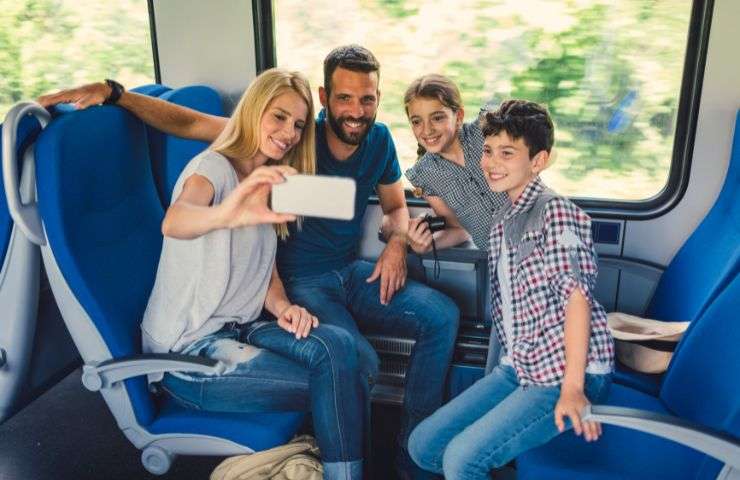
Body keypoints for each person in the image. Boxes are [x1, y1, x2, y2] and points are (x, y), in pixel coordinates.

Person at [38, 45, 460, 479]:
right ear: (323, 97)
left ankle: (410, 458)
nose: (289, 132)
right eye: (279, 118)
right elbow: (178, 213)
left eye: (366, 98)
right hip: (199, 343)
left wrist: (388, 248)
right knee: (347, 373)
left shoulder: (277, 174)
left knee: (392, 337)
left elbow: (269, 264)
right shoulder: (221, 169)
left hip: (257, 316)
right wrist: (115, 93)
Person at [139, 68, 365, 480]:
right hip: (188, 354)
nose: (290, 132)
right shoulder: (211, 168)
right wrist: (228, 213)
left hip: (243, 328)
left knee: (342, 348)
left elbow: (267, 274)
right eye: (278, 117)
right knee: (342, 381)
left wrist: (284, 309)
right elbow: (176, 221)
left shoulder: (269, 182)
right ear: (254, 111)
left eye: (298, 124)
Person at [407, 100, 614, 479]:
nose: (492, 162)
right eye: (487, 151)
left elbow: (577, 298)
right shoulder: (503, 219)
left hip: (567, 372)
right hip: (522, 365)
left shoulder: (555, 212)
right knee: (424, 446)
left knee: (461, 462)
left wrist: (572, 388)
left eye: (507, 153)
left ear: (538, 161)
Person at [403, 74, 508, 255]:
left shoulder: (486, 130)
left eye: (437, 118)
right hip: (501, 259)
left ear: (458, 116)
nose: (427, 130)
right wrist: (427, 244)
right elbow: (458, 229)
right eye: (417, 121)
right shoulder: (425, 175)